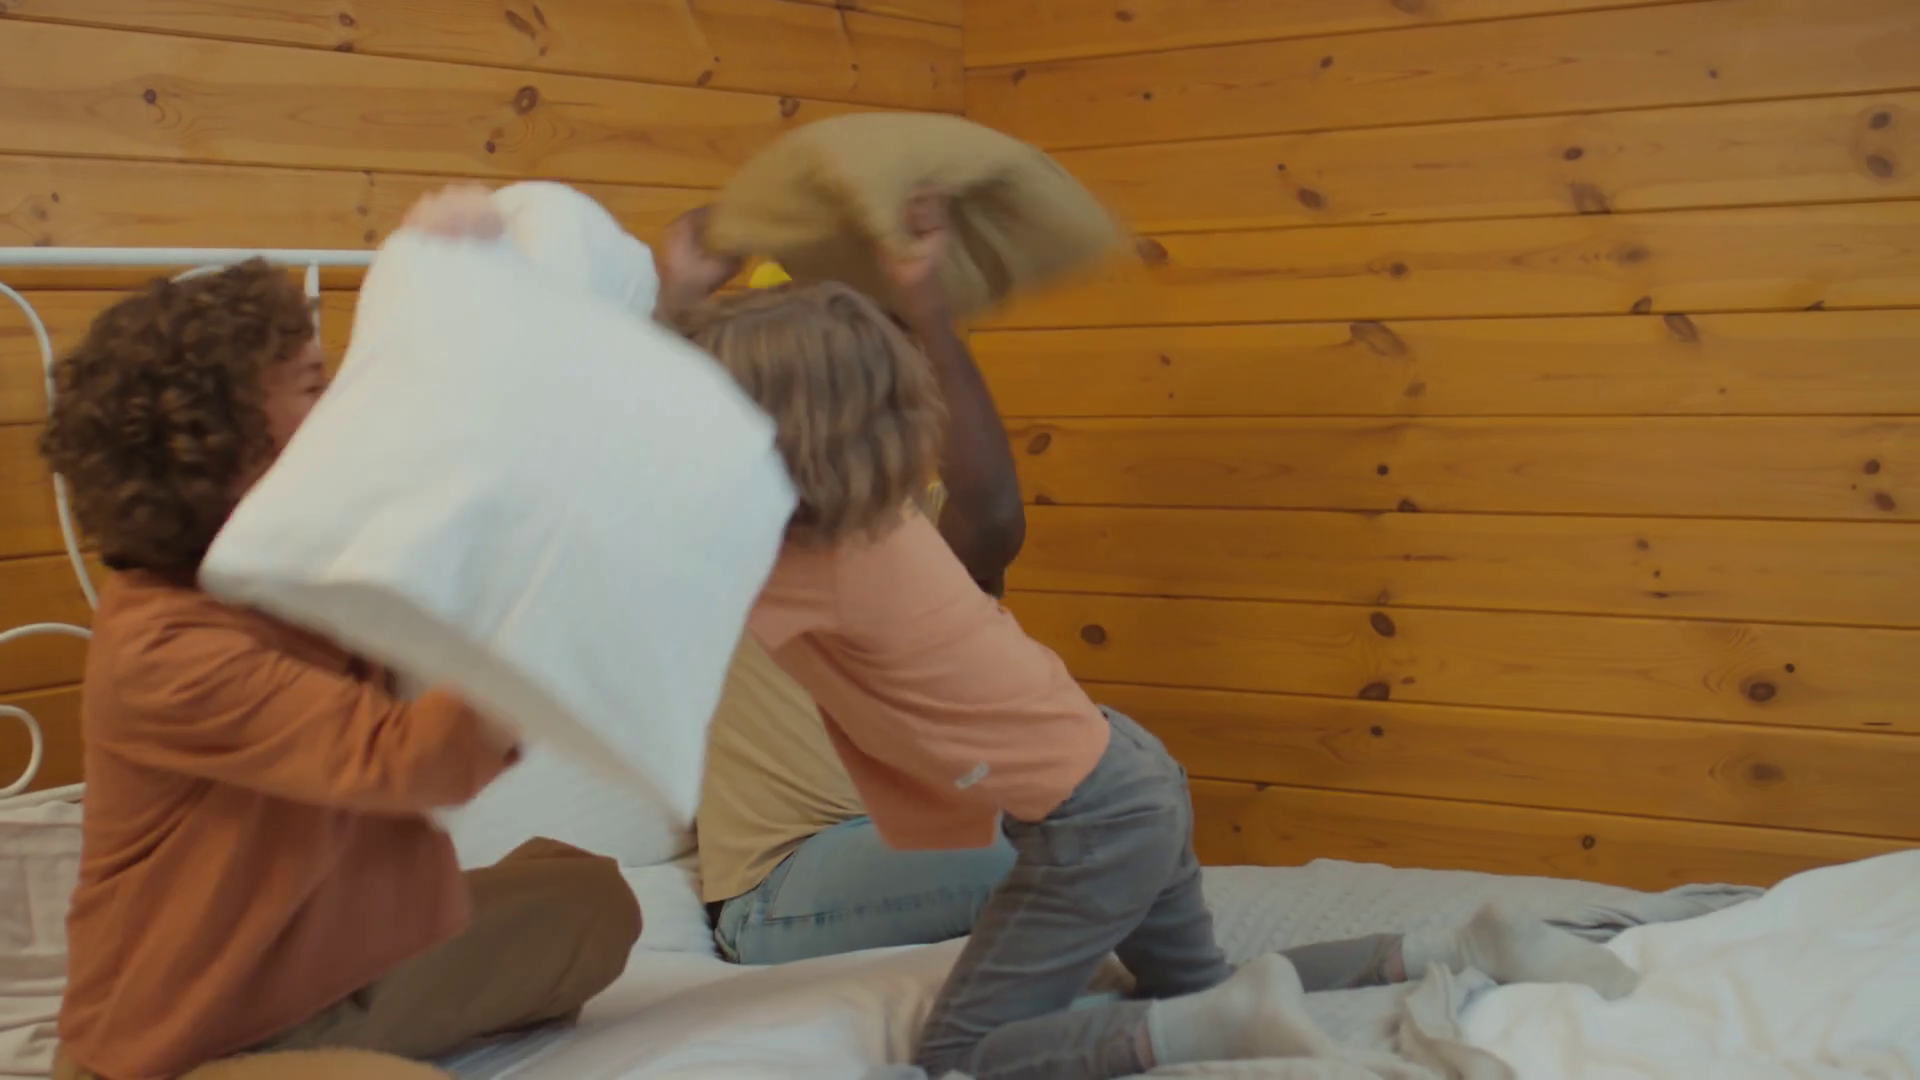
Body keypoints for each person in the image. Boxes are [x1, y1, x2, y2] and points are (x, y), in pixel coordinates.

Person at [668, 197, 1641, 1080]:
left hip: (1082, 818)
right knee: (1199, 980)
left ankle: (1181, 1034)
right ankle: (1447, 951)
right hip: (1128, 770)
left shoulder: (784, 556)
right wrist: (926, 301)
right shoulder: (885, 518)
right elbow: (976, 490)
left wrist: (672, 300)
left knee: (963, 1054)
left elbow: (631, 463)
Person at [41, 187, 640, 1080]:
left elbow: (429, 436)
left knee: (592, 900)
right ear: (229, 452)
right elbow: (409, 759)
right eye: (315, 387)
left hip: (344, 966)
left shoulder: (297, 553)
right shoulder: (165, 649)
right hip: (192, 1036)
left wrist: (444, 275)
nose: (342, 406)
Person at [655, 199, 1029, 966]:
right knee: (1042, 858)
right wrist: (679, 294)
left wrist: (931, 310)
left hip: (929, 834)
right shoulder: (724, 525)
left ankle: (1184, 1002)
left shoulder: (913, 523)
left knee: (1120, 807)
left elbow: (993, 514)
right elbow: (625, 435)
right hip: (783, 884)